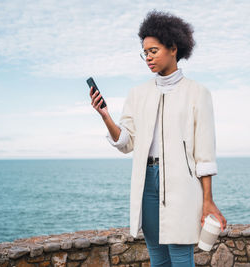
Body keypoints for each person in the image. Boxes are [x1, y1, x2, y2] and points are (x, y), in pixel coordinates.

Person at [90, 9, 227, 267]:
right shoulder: (138, 93)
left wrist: (208, 200)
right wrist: (105, 116)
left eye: (153, 51)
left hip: (183, 185)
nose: (148, 58)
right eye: (145, 52)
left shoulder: (198, 93)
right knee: (158, 257)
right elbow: (126, 142)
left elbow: (205, 155)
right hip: (147, 183)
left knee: (180, 255)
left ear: (173, 48)